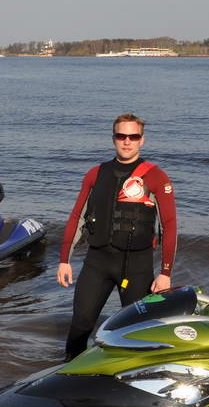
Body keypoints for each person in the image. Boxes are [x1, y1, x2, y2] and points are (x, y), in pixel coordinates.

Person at [57, 113, 177, 360]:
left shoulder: (156, 176)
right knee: (81, 322)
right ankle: (69, 368)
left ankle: (131, 372)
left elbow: (169, 226)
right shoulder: (95, 174)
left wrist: (166, 273)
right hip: (97, 262)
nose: (127, 141)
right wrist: (64, 260)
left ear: (142, 140)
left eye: (133, 136)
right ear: (113, 138)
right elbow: (76, 217)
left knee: (137, 331)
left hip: (137, 266)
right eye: (121, 136)